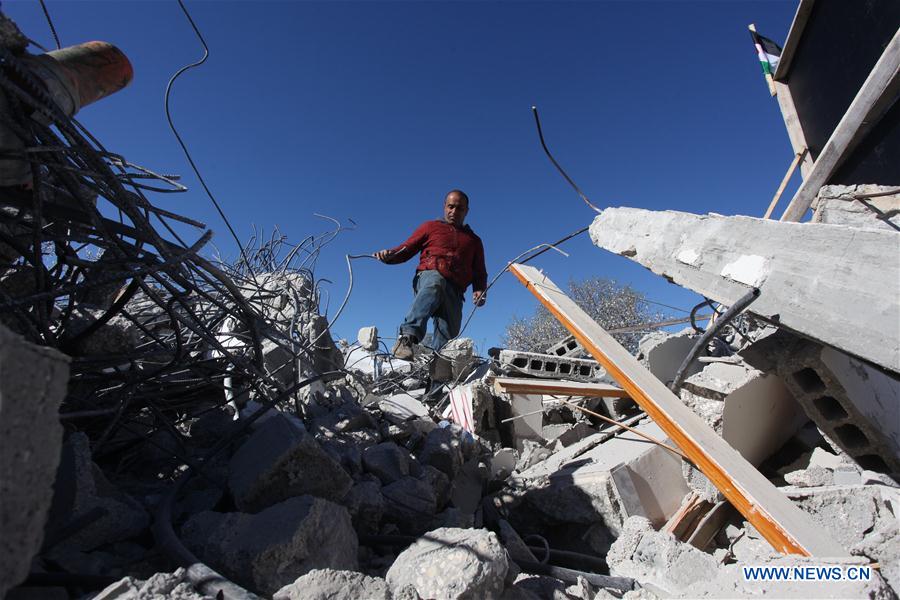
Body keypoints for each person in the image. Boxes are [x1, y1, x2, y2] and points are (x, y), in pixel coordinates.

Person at [375, 189, 487, 359]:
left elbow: (479, 270)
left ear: (467, 211)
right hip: (429, 276)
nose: (454, 211)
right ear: (444, 206)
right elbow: (407, 248)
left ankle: (437, 380)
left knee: (448, 341)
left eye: (459, 208)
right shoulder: (430, 227)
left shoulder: (474, 241)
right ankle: (407, 338)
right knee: (436, 282)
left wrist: (479, 289)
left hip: (455, 291)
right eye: (450, 206)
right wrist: (389, 255)